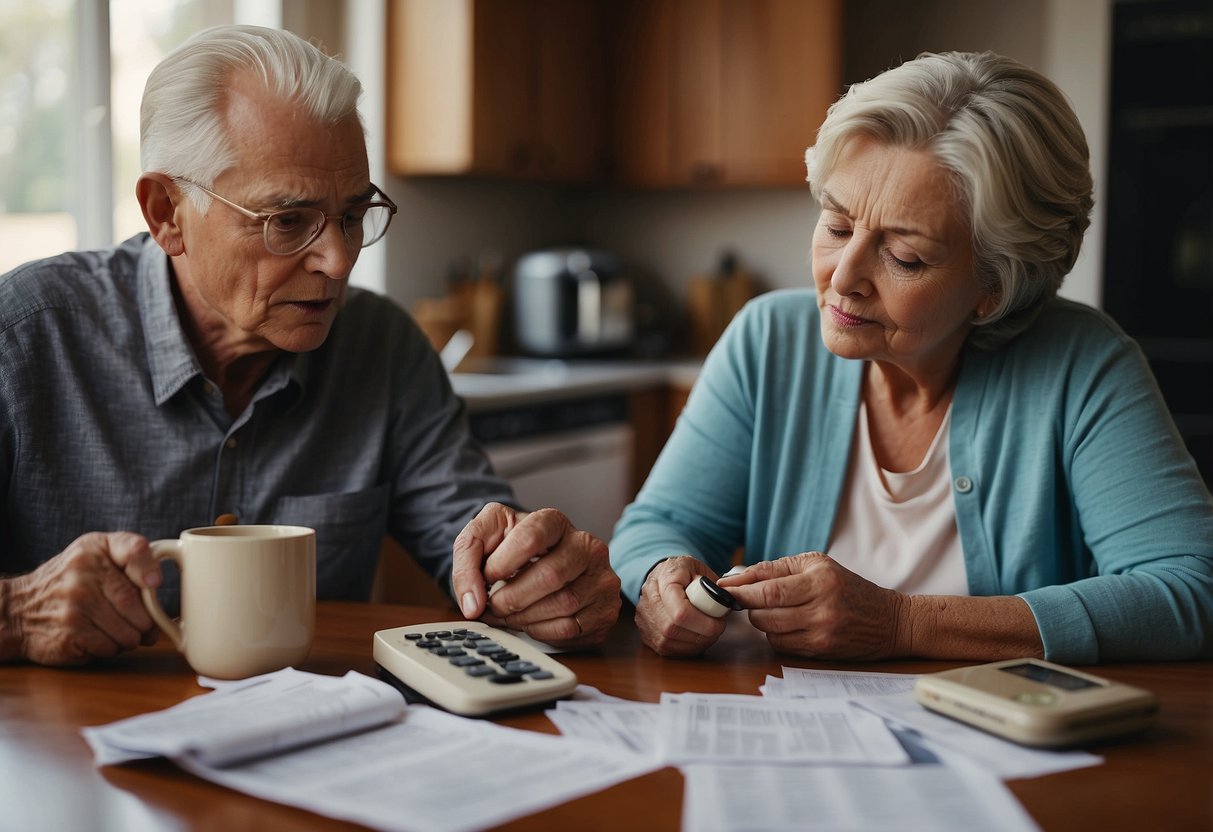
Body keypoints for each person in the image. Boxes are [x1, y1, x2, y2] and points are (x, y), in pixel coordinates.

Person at [0, 25, 619, 667]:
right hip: (75, 753)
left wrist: (541, 580)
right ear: (166, 213)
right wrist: (16, 613)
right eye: (287, 221)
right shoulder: (22, 338)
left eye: (353, 214)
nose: (339, 259)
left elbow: (477, 543)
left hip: (312, 749)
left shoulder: (382, 348)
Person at [610, 50, 1213, 664]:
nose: (843, 278)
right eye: (838, 226)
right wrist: (662, 575)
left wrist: (902, 623)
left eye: (905, 257)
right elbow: (657, 524)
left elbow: (1191, 590)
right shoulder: (768, 340)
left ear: (994, 287)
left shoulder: (1081, 365)